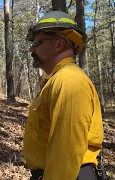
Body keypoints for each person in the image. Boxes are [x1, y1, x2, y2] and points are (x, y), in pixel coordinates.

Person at [23, 11, 104, 180]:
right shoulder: (57, 79)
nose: (32, 48)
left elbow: (66, 150)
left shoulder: (69, 80)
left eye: (37, 42)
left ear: (59, 44)